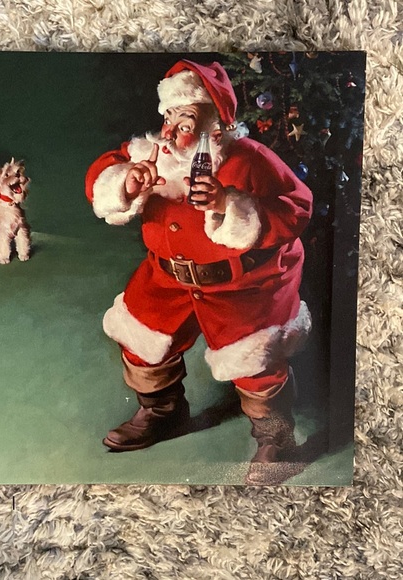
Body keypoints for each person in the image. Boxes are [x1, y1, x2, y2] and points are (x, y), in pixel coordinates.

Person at [85, 60, 313, 485]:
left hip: (241, 285)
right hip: (166, 277)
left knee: (255, 362)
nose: (171, 130)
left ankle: (277, 441)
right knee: (142, 340)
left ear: (217, 126)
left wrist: (230, 203)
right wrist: (126, 183)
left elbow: (297, 207)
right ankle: (162, 412)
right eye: (168, 116)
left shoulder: (249, 159)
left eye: (186, 120)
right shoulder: (151, 153)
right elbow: (103, 173)